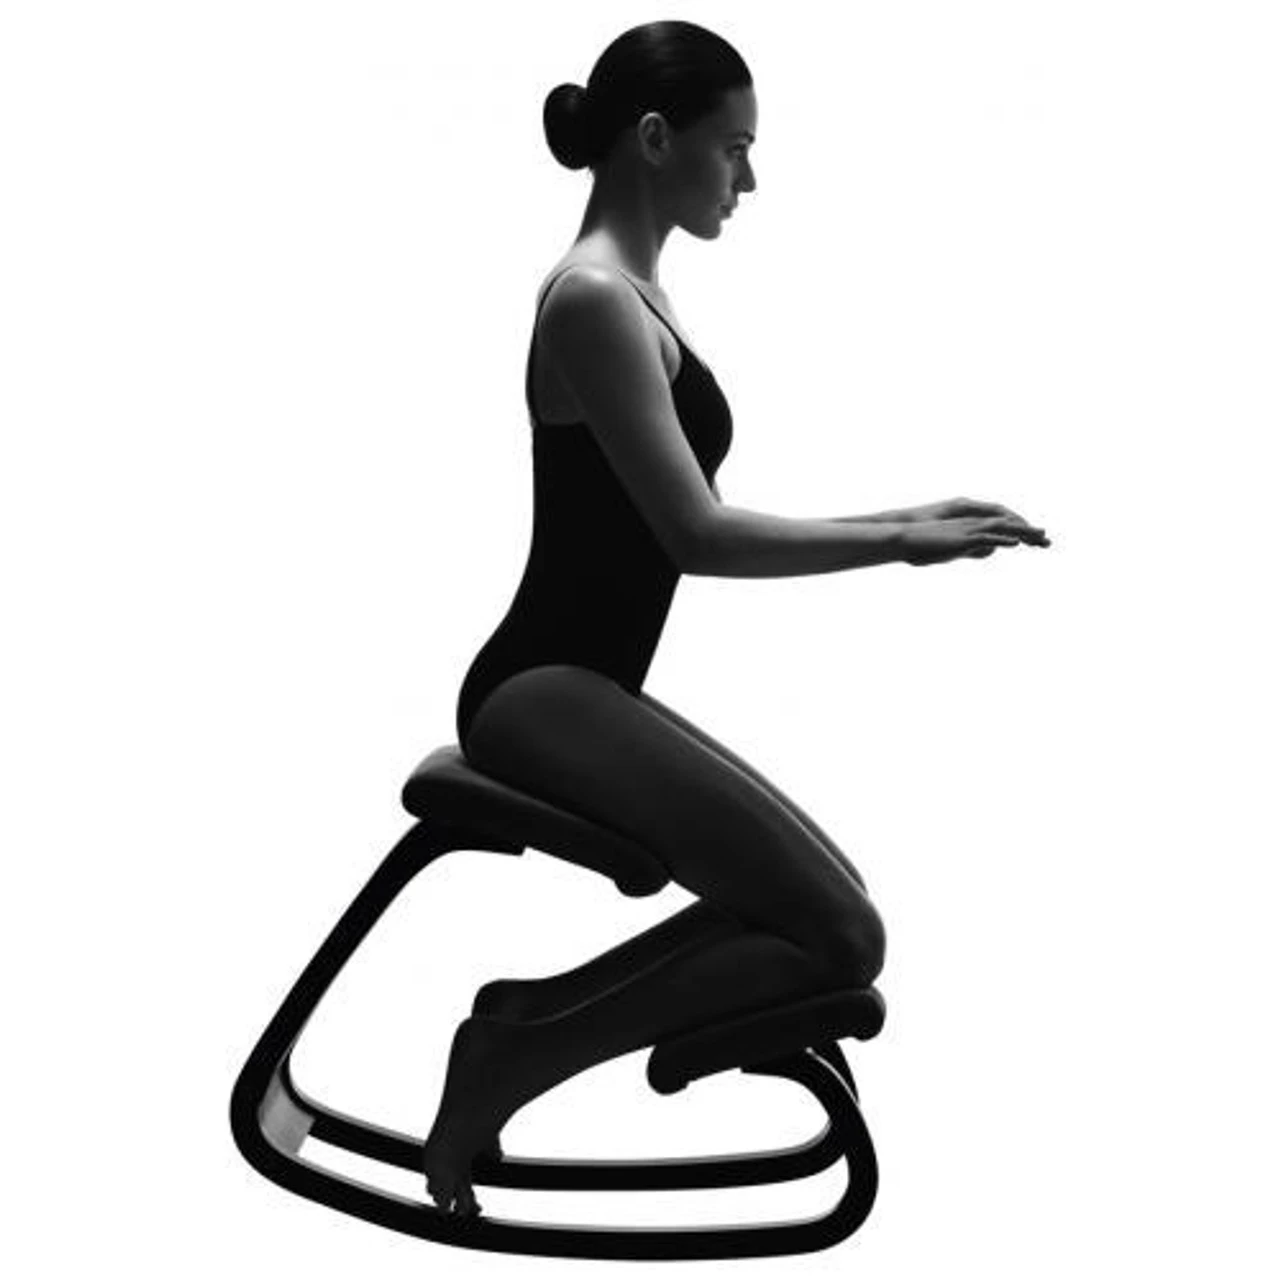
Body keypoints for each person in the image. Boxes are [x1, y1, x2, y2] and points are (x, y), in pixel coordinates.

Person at [422, 19, 1051, 1218]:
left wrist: (906, 513)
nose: (747, 180)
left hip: (578, 686)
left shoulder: (632, 297)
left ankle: (521, 1021)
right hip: (541, 691)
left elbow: (686, 519)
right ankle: (516, 1056)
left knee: (830, 916)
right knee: (837, 932)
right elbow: (694, 535)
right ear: (656, 139)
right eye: (734, 148)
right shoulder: (592, 300)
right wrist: (896, 541)